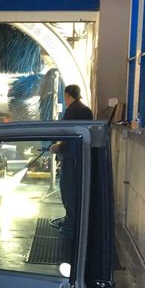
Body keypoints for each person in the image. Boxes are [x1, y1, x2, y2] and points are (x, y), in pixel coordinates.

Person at [52, 85, 93, 235]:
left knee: (67, 188)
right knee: (77, 189)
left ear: (68, 95)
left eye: (65, 96)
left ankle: (71, 221)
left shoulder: (72, 111)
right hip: (81, 156)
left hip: (71, 157)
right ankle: (76, 219)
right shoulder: (86, 110)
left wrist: (58, 147)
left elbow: (68, 134)